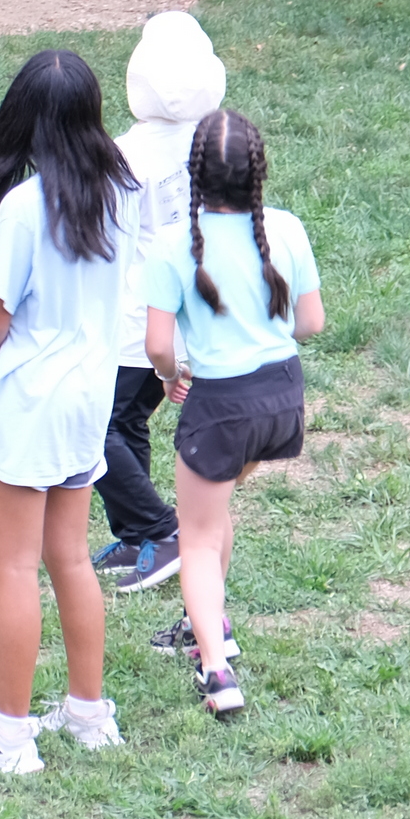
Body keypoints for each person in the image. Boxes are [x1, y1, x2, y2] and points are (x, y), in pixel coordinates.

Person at [0, 51, 133, 773]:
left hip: (27, 398)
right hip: (88, 397)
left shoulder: (24, 206)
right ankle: (88, 713)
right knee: (70, 557)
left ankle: (10, 737)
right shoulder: (121, 192)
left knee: (14, 568)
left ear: (26, 121)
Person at [144, 109, 324, 721]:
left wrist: (171, 375)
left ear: (195, 174)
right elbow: (311, 322)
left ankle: (217, 670)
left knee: (193, 537)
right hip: (282, 399)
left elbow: (158, 346)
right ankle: (211, 622)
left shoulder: (174, 244)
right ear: (257, 170)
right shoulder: (287, 228)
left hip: (221, 407)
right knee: (213, 510)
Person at [94, 11, 227, 595]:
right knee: (127, 421)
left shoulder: (125, 153)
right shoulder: (214, 141)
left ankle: (159, 529)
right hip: (187, 312)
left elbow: (110, 240)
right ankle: (135, 535)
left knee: (97, 428)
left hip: (133, 317)